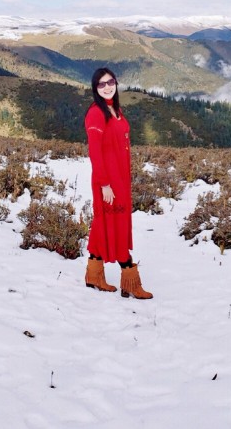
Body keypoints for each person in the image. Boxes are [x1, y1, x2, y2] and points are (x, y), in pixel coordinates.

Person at [84, 68, 152, 300]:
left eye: (110, 82)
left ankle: (94, 275)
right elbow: (95, 152)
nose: (107, 87)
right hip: (108, 182)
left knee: (103, 224)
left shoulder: (115, 109)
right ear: (95, 88)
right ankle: (131, 281)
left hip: (119, 179)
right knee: (116, 225)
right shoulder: (96, 114)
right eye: (101, 84)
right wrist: (104, 184)